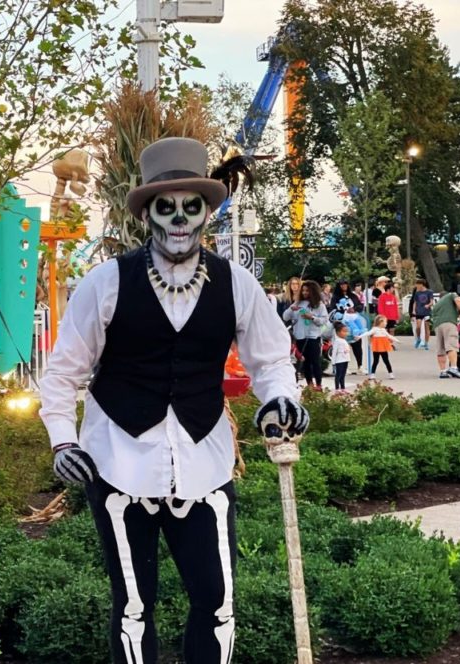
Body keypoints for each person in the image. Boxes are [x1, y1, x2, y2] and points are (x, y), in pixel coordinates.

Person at [39, 138, 307, 664]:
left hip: (205, 464)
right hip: (119, 463)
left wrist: (280, 397)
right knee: (134, 607)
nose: (180, 220)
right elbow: (63, 371)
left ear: (207, 212)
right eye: (168, 207)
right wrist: (62, 440)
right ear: (148, 215)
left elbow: (271, 359)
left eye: (192, 206)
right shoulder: (106, 283)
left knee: (218, 602)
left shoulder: (237, 285)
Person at [283, 280, 328, 388]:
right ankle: (309, 384)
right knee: (305, 362)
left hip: (313, 337)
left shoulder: (319, 305)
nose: (304, 293)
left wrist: (311, 317)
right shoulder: (298, 303)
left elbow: (323, 321)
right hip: (300, 337)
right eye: (303, 291)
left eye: (307, 291)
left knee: (315, 362)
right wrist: (291, 309)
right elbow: (285, 317)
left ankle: (318, 384)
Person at [430, 288, 460, 379]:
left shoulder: (436, 305)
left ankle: (443, 371)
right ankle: (453, 368)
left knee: (441, 348)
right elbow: (458, 300)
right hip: (449, 323)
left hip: (437, 326)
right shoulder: (451, 295)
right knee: (452, 345)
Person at [338, 297, 368, 375]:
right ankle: (345, 368)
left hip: (355, 336)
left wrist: (359, 332)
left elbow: (360, 325)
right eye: (349, 307)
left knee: (358, 350)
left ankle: (360, 366)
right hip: (345, 335)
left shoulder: (356, 316)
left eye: (352, 307)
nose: (351, 309)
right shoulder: (342, 316)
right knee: (344, 351)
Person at [362, 315, 397, 379]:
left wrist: (397, 340)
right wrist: (360, 336)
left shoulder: (383, 330)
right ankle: (372, 374)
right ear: (380, 322)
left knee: (386, 361)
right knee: (376, 361)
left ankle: (390, 373)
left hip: (383, 347)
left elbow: (389, 336)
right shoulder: (375, 329)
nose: (386, 323)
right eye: (385, 322)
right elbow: (368, 333)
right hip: (377, 347)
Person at [409, 278, 435, 349]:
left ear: (421, 285)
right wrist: (413, 310)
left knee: (427, 328)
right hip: (419, 312)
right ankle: (418, 339)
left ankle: (426, 343)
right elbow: (415, 302)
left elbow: (431, 301)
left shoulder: (429, 292)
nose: (416, 286)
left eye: (417, 285)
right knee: (418, 327)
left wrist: (428, 305)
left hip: (427, 312)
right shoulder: (417, 293)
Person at [330, 322, 351, 392]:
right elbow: (334, 352)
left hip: (345, 359)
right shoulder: (337, 341)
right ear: (338, 332)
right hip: (339, 360)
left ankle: (343, 387)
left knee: (343, 374)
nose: (346, 333)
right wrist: (333, 362)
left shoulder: (344, 340)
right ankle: (337, 388)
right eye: (344, 331)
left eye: (346, 331)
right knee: (338, 375)